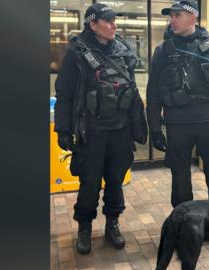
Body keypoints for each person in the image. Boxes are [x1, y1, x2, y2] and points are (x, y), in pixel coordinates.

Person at [54, 3, 147, 255]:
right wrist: (63, 129)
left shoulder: (123, 49)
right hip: (92, 130)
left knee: (115, 181)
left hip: (120, 129)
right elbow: (64, 94)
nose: (113, 25)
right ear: (92, 24)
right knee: (90, 182)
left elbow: (131, 88)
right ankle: (84, 227)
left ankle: (112, 224)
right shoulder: (77, 53)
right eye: (107, 21)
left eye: (114, 20)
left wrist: (139, 123)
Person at [146, 1, 209, 208]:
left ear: (193, 18)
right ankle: (183, 222)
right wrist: (154, 128)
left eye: (177, 15)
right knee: (180, 179)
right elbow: (153, 92)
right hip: (177, 124)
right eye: (171, 16)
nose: (172, 20)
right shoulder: (163, 51)